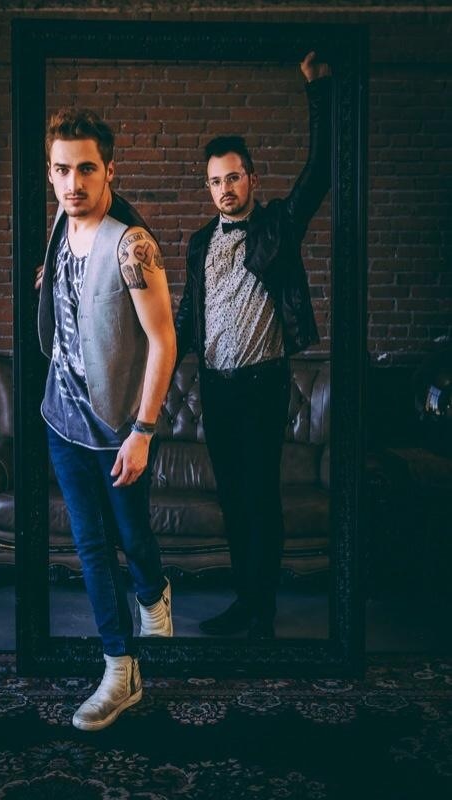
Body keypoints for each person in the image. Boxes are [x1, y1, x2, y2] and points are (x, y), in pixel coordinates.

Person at [174, 51, 331, 640]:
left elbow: (320, 171)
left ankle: (263, 610)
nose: (225, 189)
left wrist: (317, 90)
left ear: (252, 180)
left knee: (262, 499)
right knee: (234, 502)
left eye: (233, 177)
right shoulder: (199, 243)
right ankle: (245, 601)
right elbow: (187, 316)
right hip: (215, 388)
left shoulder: (278, 226)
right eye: (215, 181)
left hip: (264, 384)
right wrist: (156, 375)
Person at [36, 108, 176, 730]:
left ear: (110, 170)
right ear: (50, 173)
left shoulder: (133, 244)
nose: (74, 183)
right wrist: (53, 285)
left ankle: (153, 593)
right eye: (62, 170)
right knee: (90, 545)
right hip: (60, 419)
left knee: (131, 535)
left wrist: (143, 432)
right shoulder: (60, 224)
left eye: (87, 169)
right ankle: (120, 669)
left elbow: (163, 341)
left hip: (119, 428)